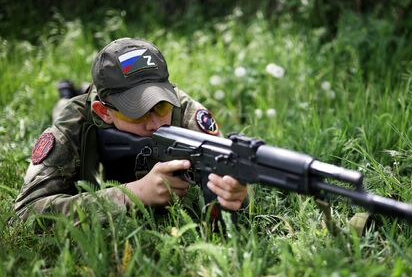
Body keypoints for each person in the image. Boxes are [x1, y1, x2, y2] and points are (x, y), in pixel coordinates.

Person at [13, 37, 247, 224]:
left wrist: (237, 193)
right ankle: (69, 93)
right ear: (104, 112)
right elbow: (25, 213)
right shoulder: (73, 122)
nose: (155, 123)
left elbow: (229, 167)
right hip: (79, 112)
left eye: (161, 105)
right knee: (65, 105)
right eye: (137, 112)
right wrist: (131, 195)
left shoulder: (183, 108)